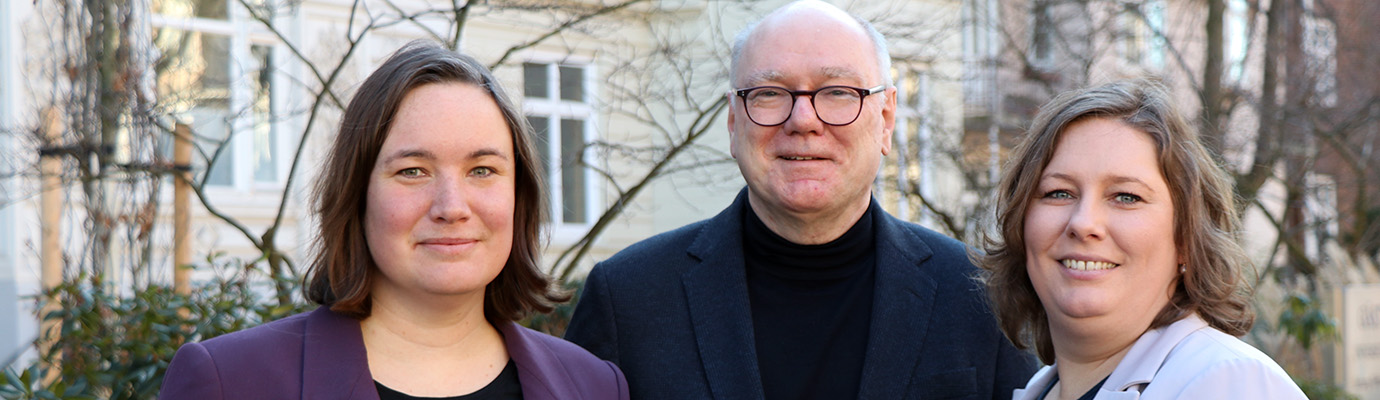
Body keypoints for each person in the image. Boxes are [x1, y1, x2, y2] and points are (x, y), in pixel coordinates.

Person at [563, 1, 1037, 399]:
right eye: (770, 93)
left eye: (837, 92)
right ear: (734, 122)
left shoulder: (979, 296)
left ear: (887, 118)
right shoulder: (628, 300)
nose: (804, 120)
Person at [160, 41, 629, 400]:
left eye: (482, 170)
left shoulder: (593, 386)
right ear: (356, 194)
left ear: (518, 196)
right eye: (412, 171)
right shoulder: (230, 381)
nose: (451, 206)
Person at [978, 79, 1306, 400]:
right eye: (1059, 192)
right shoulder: (1041, 389)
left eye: (1126, 197)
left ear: (1185, 238)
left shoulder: (1231, 383)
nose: (1083, 223)